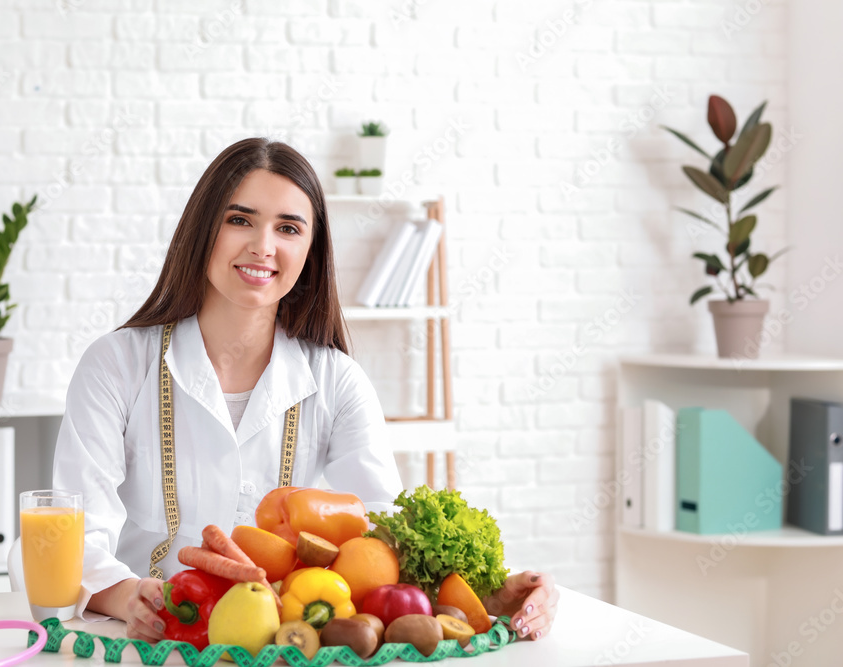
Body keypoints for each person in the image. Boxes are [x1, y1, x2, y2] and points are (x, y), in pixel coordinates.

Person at [52, 137, 559, 643]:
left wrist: (491, 593)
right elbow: (69, 533)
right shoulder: (117, 364)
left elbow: (386, 543)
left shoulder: (338, 382)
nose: (263, 246)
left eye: (288, 228)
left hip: (287, 644)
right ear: (202, 229)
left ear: (311, 252)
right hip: (151, 640)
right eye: (239, 219)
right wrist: (126, 597)